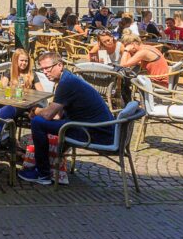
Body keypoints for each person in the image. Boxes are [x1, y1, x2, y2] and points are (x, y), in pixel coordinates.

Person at [18, 51, 114, 185]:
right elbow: (57, 115)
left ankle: (43, 173)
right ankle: (50, 164)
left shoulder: (67, 83)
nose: (45, 72)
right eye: (42, 69)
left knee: (38, 122)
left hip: (95, 133)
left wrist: (35, 110)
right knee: (43, 122)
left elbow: (48, 115)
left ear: (60, 65)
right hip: (98, 128)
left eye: (47, 68)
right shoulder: (67, 78)